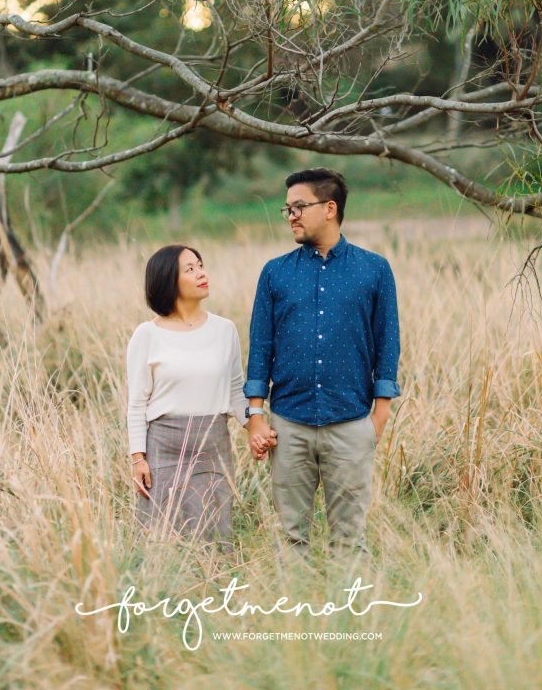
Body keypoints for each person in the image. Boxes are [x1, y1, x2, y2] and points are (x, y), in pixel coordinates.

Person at [244, 168, 402, 560]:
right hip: (289, 425)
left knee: (350, 540)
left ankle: (350, 617)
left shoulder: (374, 269)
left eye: (299, 206)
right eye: (288, 209)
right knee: (290, 538)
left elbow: (388, 343)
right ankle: (293, 618)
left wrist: (378, 417)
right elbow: (260, 348)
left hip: (350, 422)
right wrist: (256, 416)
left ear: (330, 208)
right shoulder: (275, 273)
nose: (291, 216)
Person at [126, 244, 275, 552]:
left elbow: (235, 390)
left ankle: (217, 592)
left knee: (215, 535)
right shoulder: (147, 335)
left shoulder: (224, 330)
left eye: (201, 265)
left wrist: (255, 426)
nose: (201, 273)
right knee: (162, 539)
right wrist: (138, 458)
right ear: (168, 280)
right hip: (164, 446)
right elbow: (137, 403)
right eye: (190, 269)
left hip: (212, 443)